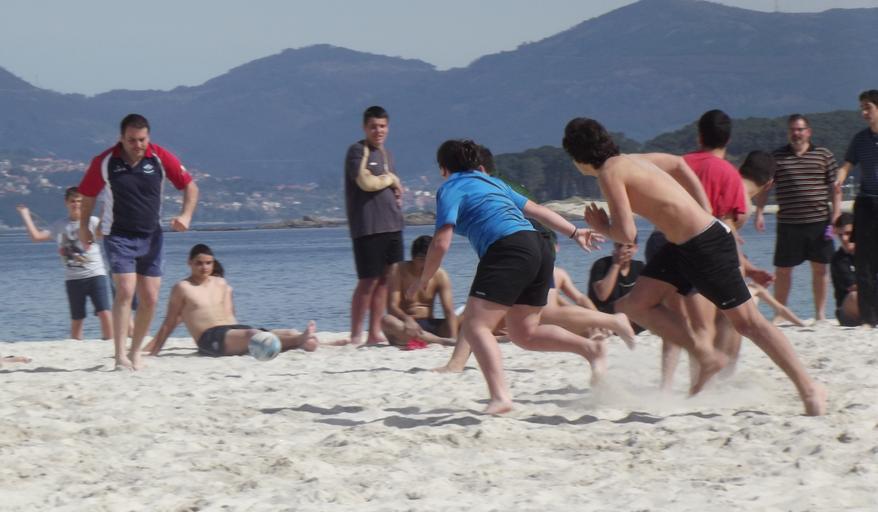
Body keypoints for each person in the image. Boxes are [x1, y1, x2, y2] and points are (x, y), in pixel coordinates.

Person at [562, 117, 826, 415]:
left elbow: (626, 233)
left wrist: (601, 226)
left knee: (748, 323)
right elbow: (678, 164)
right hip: (680, 245)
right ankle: (705, 354)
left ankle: (809, 388)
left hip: (705, 244)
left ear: (578, 157)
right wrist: (704, 206)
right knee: (635, 305)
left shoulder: (610, 172)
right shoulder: (633, 159)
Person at [409, 139, 606, 415]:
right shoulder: (493, 183)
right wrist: (575, 232)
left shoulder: (450, 187)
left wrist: (424, 278)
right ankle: (590, 349)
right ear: (476, 165)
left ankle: (500, 397)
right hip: (539, 247)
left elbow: (441, 242)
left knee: (476, 326)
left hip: (507, 249)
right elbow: (538, 211)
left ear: (444, 169)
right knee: (524, 333)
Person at [78, 113, 199, 370]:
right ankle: (120, 355)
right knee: (124, 289)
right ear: (121, 138)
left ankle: (135, 353)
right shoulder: (105, 161)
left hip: (151, 236)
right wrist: (84, 227)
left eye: (142, 139)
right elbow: (87, 195)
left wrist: (186, 215)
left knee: (151, 298)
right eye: (132, 140)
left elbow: (190, 186)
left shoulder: (160, 158)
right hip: (118, 235)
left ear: (148, 137)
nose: (138, 145)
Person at [144, 244, 325, 356]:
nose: (204, 267)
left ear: (213, 264)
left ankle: (302, 340)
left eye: (208, 263)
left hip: (232, 330)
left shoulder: (221, 283)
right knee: (253, 335)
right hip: (209, 339)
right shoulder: (182, 287)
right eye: (199, 263)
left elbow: (230, 315)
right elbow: (169, 322)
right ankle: (299, 340)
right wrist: (155, 350)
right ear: (189, 263)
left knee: (285, 331)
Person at [755, 114, 841, 322]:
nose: (796, 133)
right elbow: (765, 188)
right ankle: (780, 314)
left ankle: (820, 314)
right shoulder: (777, 157)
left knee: (820, 269)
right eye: (792, 129)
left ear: (808, 132)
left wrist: (836, 216)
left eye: (800, 129)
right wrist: (759, 212)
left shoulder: (824, 155)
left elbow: (835, 189)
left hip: (819, 221)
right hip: (788, 223)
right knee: (783, 271)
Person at [17, 187, 112, 340]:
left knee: (104, 312)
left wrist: (105, 207)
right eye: (73, 201)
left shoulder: (92, 221)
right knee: (77, 318)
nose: (76, 204)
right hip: (73, 279)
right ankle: (75, 345)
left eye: (79, 201)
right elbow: (36, 237)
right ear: (66, 203)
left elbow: (103, 232)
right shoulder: (59, 225)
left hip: (95, 274)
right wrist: (25, 215)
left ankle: (109, 343)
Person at [344, 105, 405, 346]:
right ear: (365, 127)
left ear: (388, 127)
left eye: (382, 126)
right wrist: (391, 179)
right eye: (373, 126)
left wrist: (396, 191)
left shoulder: (387, 154)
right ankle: (356, 333)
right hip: (368, 226)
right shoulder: (358, 151)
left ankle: (375, 331)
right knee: (368, 281)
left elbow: (388, 184)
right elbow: (364, 182)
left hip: (393, 224)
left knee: (386, 280)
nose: (378, 130)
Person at [834, 90, 878, 328]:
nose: (864, 113)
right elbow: (847, 165)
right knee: (864, 262)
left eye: (868, 108)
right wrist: (839, 178)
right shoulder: (860, 139)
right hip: (866, 204)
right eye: (862, 108)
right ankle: (869, 319)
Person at [382, 235, 458, 346]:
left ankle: (438, 339)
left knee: (467, 317)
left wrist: (454, 337)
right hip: (407, 325)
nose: (426, 264)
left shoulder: (440, 274)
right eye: (422, 259)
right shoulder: (398, 270)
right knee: (387, 320)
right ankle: (440, 341)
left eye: (430, 259)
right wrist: (407, 319)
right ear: (413, 258)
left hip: (431, 325)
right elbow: (392, 306)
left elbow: (449, 310)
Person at [588, 237, 644, 316]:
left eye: (629, 247)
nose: (624, 250)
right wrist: (616, 265)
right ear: (615, 246)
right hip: (603, 314)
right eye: (620, 246)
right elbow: (602, 295)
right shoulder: (601, 264)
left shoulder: (640, 267)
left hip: (629, 315)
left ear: (636, 248)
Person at [830, 213, 860, 326]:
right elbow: (853, 287)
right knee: (854, 296)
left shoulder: (869, 253)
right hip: (847, 311)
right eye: (840, 235)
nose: (844, 239)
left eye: (848, 233)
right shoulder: (838, 259)